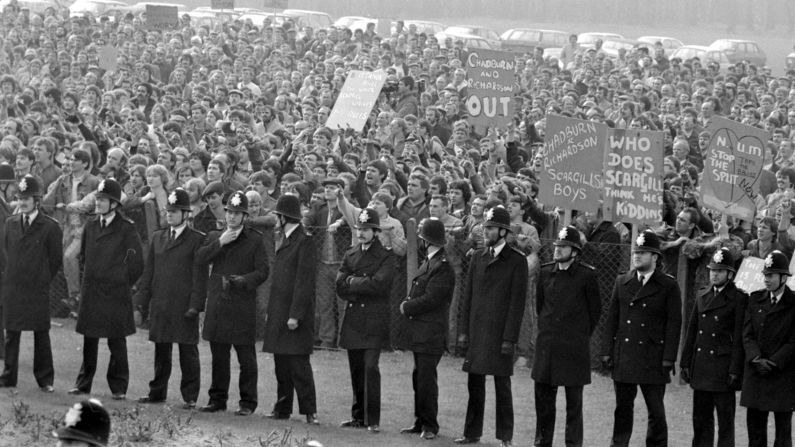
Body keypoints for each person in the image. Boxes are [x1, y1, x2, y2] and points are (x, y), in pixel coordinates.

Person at [600, 229, 682, 447]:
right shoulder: (622, 282)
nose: (637, 256)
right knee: (623, 408)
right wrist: (607, 350)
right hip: (626, 354)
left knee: (656, 410)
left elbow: (674, 324)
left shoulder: (668, 285)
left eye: (643, 253)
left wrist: (669, 358)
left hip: (653, 356)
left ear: (655, 257)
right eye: (636, 252)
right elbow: (612, 320)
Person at [455, 206, 528, 447]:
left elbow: (517, 305)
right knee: (474, 384)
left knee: (502, 385)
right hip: (477, 330)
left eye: (491, 228)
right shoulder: (477, 256)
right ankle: (471, 432)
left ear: (504, 232)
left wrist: (509, 338)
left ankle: (505, 436)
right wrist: (463, 331)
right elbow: (468, 297)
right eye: (485, 227)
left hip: (500, 334)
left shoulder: (517, 261)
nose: (486, 231)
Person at [70, 179, 144, 400]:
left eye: (103, 200)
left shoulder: (127, 228)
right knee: (89, 340)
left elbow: (137, 263)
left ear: (114, 204)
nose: (98, 203)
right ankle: (83, 384)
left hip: (115, 293)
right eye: (98, 199)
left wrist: (120, 281)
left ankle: (119, 388)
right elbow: (83, 257)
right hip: (93, 291)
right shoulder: (91, 226)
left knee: (116, 341)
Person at [134, 188, 208, 409]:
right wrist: (141, 302)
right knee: (161, 351)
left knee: (188, 352)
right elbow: (149, 273)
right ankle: (157, 392)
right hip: (161, 302)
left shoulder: (197, 239)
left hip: (184, 304)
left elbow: (200, 277)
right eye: (168, 211)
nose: (170, 215)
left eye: (175, 211)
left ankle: (190, 396)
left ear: (186, 214)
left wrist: (196, 305)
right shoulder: (158, 236)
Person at [197, 190, 269, 416]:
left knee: (245, 356)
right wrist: (220, 242)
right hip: (219, 301)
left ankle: (248, 402)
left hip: (242, 303)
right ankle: (217, 399)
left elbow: (263, 271)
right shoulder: (214, 236)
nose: (233, 217)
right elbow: (199, 259)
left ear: (245, 216)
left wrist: (244, 281)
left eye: (238, 214)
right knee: (219, 355)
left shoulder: (255, 239)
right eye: (230, 213)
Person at [533, 225, 601, 447]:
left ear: (575, 251)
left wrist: (579, 334)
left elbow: (595, 311)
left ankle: (573, 444)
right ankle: (542, 442)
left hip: (573, 348)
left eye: (564, 246)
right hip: (548, 346)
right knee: (543, 400)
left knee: (574, 403)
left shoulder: (587, 275)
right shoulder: (545, 272)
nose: (558, 250)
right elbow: (540, 305)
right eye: (557, 246)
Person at [336, 207, 396, 432]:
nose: (361, 233)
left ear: (376, 231)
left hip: (373, 319)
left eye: (366, 229)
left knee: (371, 368)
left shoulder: (385, 256)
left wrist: (353, 282)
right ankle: (358, 416)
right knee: (356, 369)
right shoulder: (351, 253)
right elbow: (340, 285)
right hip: (354, 319)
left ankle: (373, 419)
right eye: (359, 229)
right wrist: (360, 283)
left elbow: (380, 284)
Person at [0, 175, 62, 391]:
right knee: (12, 333)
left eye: (27, 198)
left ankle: (45, 379)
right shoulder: (11, 223)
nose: (23, 202)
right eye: (20, 197)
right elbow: (7, 251)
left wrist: (42, 278)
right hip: (14, 286)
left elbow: (55, 259)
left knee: (41, 334)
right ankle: (8, 376)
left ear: (37, 199)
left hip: (37, 288)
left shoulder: (50, 227)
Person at [681, 247, 747, 447]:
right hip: (701, 366)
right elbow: (692, 332)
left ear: (730, 273)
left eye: (719, 271)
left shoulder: (738, 298)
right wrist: (685, 362)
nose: (714, 274)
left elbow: (738, 338)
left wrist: (736, 369)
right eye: (712, 270)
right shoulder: (703, 295)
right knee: (700, 419)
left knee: (725, 420)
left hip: (723, 367)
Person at [262, 195, 319, 425]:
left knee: (299, 365)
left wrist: (295, 315)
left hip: (295, 313)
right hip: (280, 310)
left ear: (284, 217)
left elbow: (304, 282)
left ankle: (309, 411)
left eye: (277, 215)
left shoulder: (304, 241)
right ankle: (282, 408)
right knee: (281, 364)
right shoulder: (285, 238)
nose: (275, 219)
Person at [398, 217, 455, 440]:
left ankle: (430, 425)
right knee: (418, 377)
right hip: (422, 330)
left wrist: (407, 306)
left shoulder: (442, 267)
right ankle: (420, 420)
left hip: (431, 331)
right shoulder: (431, 262)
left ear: (426, 241)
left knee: (426, 379)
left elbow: (432, 299)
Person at [740, 250, 795, 447]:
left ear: (783, 277)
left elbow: (793, 341)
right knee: (755, 433)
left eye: (771, 275)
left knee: (783, 434)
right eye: (765, 275)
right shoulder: (755, 299)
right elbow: (747, 334)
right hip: (756, 372)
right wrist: (756, 359)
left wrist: (773, 362)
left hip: (782, 374)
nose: (767, 279)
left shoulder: (793, 302)